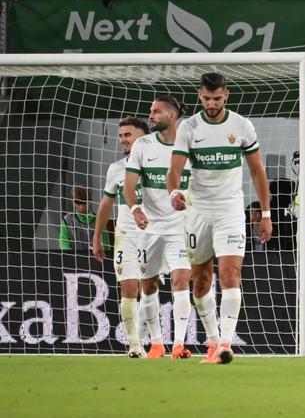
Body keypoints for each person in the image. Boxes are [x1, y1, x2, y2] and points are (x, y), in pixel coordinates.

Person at [167, 72, 273, 364]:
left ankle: (226, 343)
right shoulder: (189, 127)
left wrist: (265, 214)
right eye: (206, 98)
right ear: (199, 96)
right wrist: (174, 192)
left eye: (216, 98)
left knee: (229, 274)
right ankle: (213, 342)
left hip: (229, 209)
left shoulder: (242, 126)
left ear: (226, 95)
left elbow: (257, 171)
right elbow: (174, 170)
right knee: (199, 283)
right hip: (197, 211)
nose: (211, 103)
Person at [122, 95, 194, 359]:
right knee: (148, 285)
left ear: (172, 115)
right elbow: (129, 185)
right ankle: (156, 343)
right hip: (150, 227)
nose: (150, 115)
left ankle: (178, 344)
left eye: (156, 112)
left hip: (181, 226)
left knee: (180, 280)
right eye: (150, 111)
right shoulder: (143, 145)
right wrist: (135, 208)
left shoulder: (190, 145)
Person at [92, 118, 147, 357]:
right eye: (121, 135)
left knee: (149, 288)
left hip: (154, 235)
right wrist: (97, 238)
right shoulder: (116, 169)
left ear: (143, 138)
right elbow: (105, 206)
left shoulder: (160, 164)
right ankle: (134, 344)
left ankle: (152, 341)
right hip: (125, 234)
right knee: (128, 287)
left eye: (128, 135)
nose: (122, 139)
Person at [61, 186, 100, 252]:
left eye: (84, 203)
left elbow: (106, 245)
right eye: (78, 203)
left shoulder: (99, 220)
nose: (81, 207)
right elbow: (64, 244)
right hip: (73, 260)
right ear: (73, 202)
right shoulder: (67, 221)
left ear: (90, 201)